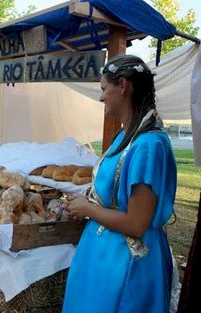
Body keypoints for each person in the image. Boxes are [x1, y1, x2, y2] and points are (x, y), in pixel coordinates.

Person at [61, 55, 176, 313]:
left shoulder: (148, 145)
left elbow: (137, 224)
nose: (101, 98)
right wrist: (86, 203)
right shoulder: (125, 135)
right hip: (102, 257)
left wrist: (89, 210)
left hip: (126, 264)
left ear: (122, 86)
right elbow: (112, 196)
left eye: (104, 89)